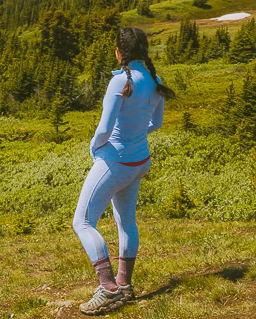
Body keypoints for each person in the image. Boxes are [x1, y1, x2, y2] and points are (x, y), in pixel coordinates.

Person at [72, 26, 175, 315]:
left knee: (82, 222)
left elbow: (104, 129)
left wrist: (95, 147)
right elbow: (156, 124)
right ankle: (124, 285)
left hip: (115, 161)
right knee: (126, 221)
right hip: (140, 161)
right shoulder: (155, 80)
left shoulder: (119, 83)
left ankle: (108, 289)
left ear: (119, 52)